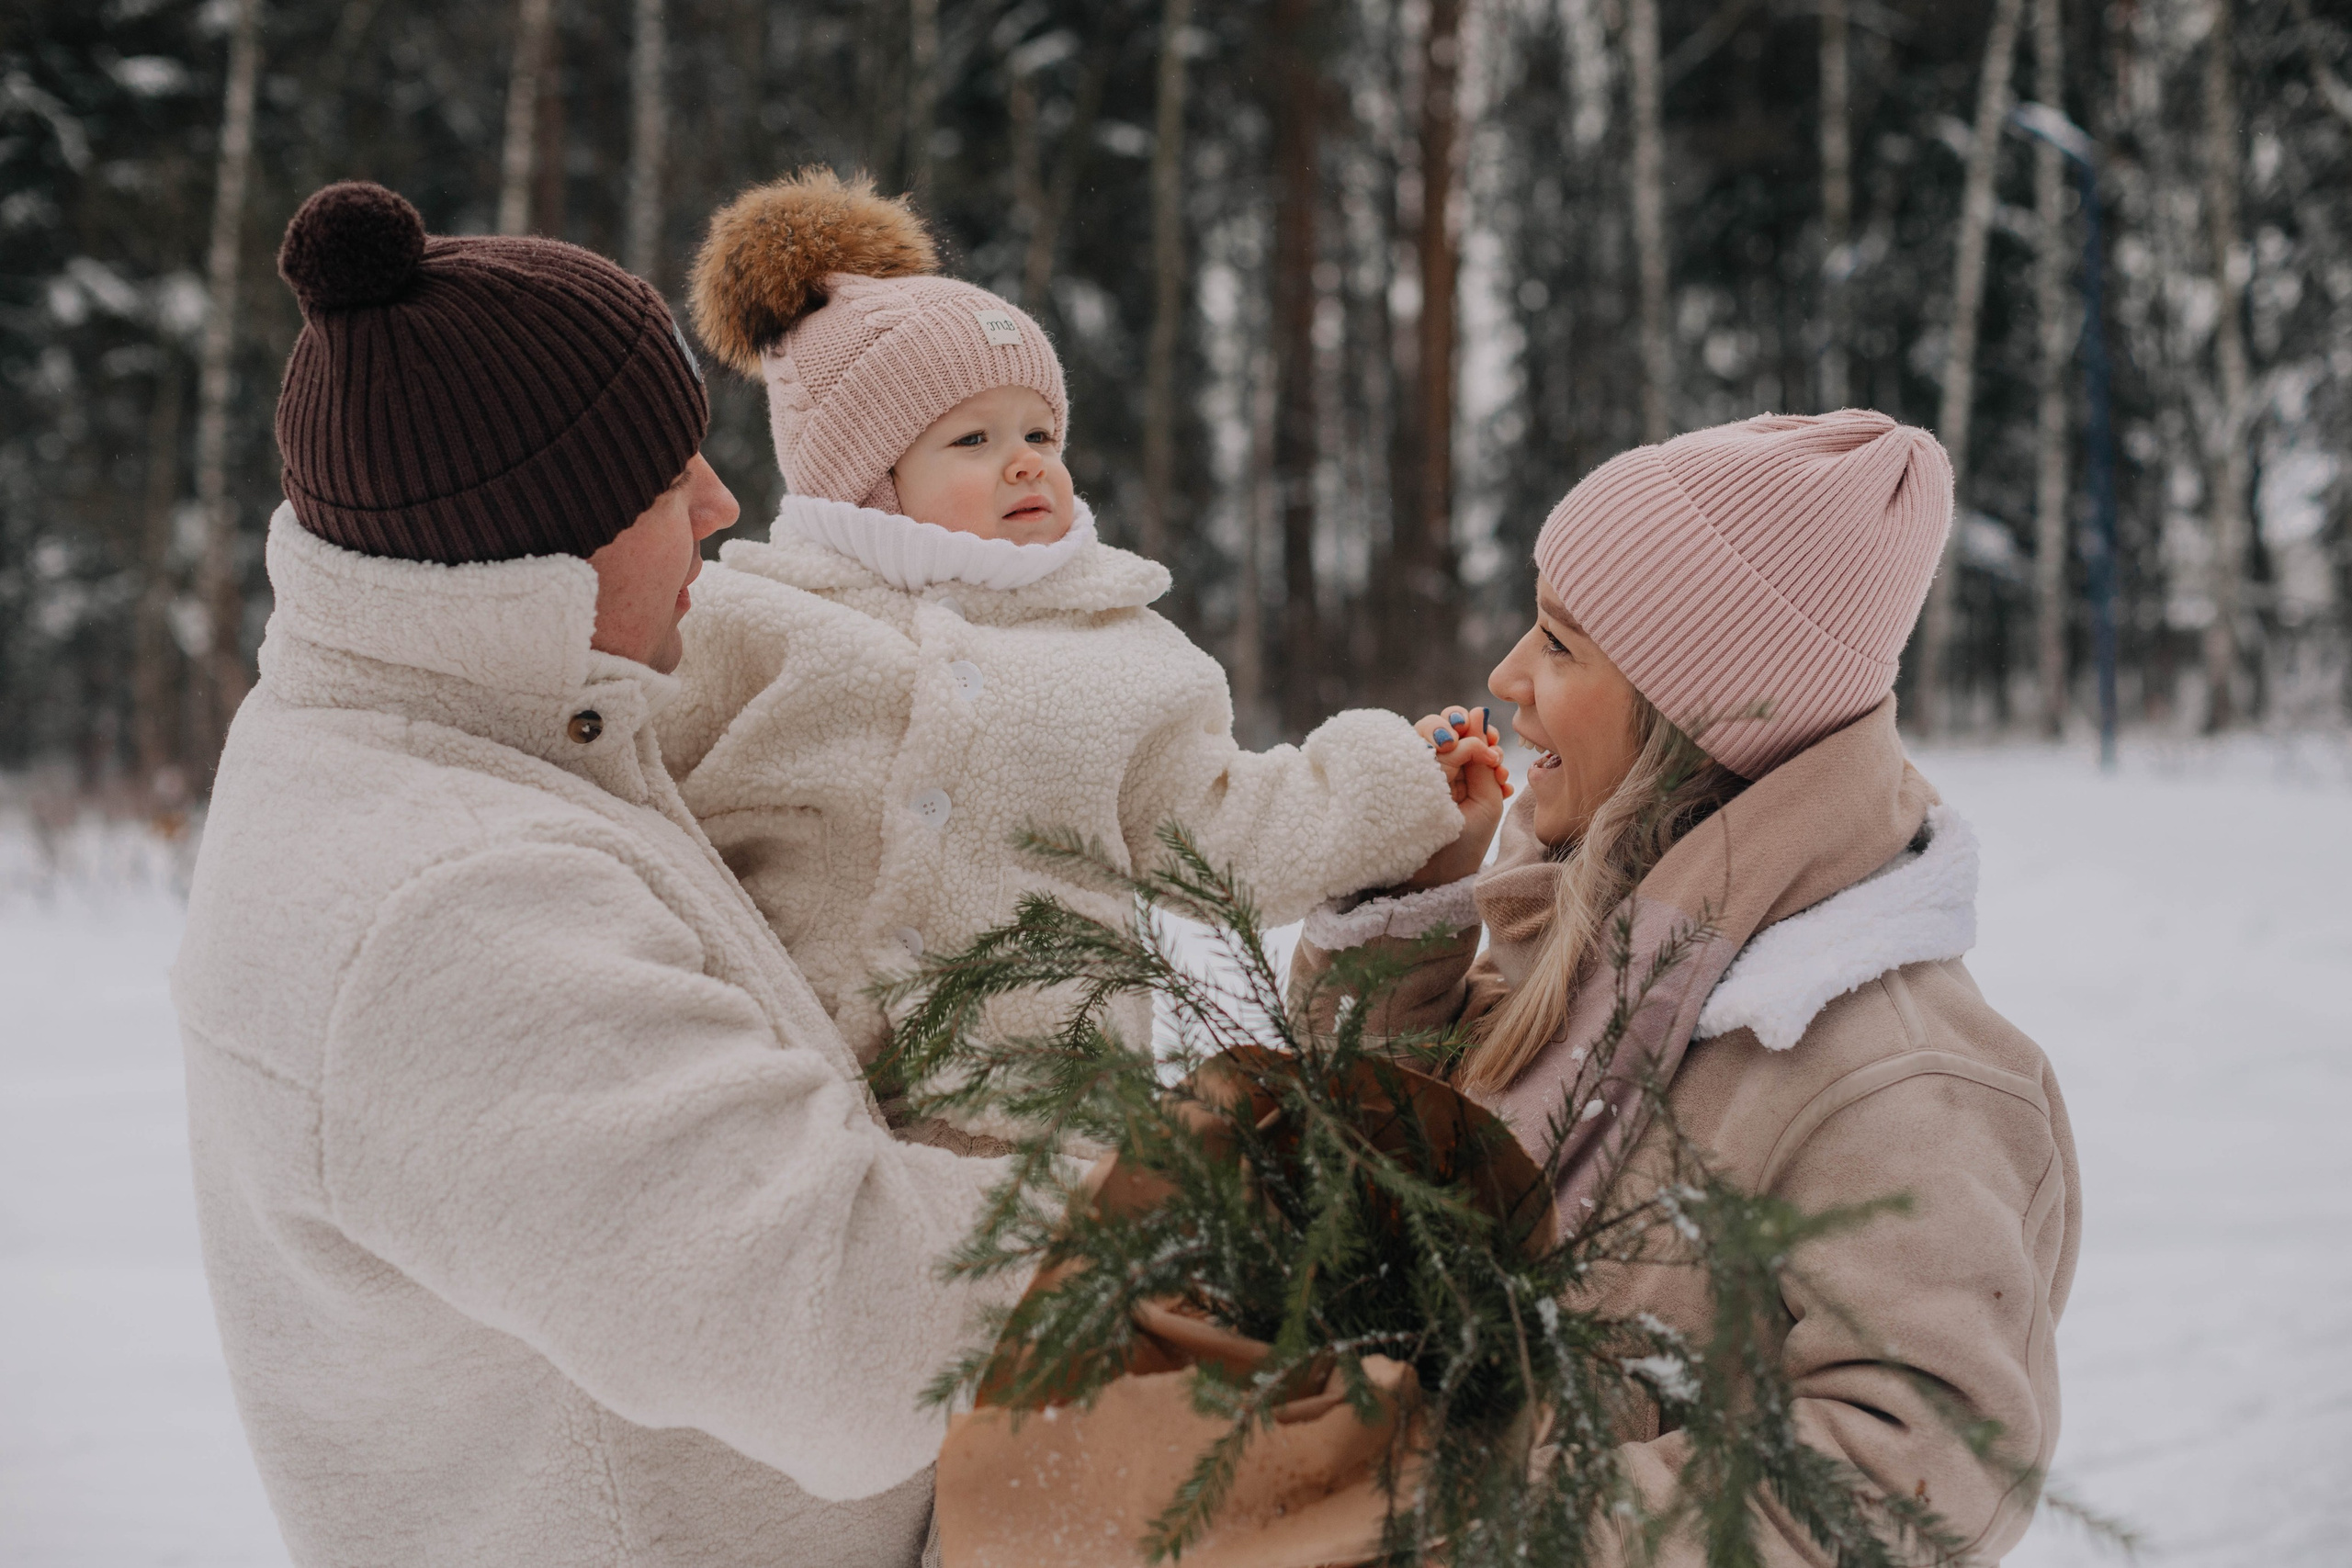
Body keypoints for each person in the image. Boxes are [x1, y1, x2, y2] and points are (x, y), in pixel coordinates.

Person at [173, 181, 1041, 1568]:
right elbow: (862, 1339)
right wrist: (1161, 1178)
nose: (720, 502)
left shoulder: (455, 728)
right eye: (664, 479)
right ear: (540, 544)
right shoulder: (449, 911)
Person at [1295, 412, 2080, 1565]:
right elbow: (1387, 1203)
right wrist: (1408, 928)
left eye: (1560, 645)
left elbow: (1901, 1483)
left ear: (1689, 714)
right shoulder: (1592, 943)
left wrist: (1487, 1522)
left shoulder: (1894, 1077)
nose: (1508, 673)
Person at [657, 169, 1488, 1143]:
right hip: (789, 1116)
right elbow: (625, 782)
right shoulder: (746, 623)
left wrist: (1391, 781)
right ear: (861, 481)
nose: (1025, 461)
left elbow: (1219, 832)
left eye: (1039, 432)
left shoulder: (1122, 654)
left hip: (1044, 1133)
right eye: (971, 438)